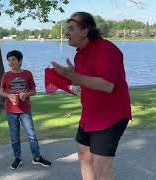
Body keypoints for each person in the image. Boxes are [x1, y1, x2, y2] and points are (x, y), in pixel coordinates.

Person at [52, 12, 132, 180]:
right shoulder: (79, 53)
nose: (66, 33)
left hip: (111, 115)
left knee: (101, 167)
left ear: (85, 31)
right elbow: (87, 80)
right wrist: (73, 74)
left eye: (71, 28)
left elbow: (107, 85)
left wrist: (76, 77)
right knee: (84, 156)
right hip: (90, 114)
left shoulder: (106, 49)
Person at [0, 50, 52, 169]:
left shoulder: (27, 74)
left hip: (25, 110)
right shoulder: (6, 75)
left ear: (20, 60)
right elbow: (1, 91)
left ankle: (37, 157)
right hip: (11, 111)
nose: (10, 62)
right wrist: (9, 95)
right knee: (14, 137)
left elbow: (34, 90)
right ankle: (17, 158)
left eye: (13, 59)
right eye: (9, 60)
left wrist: (26, 94)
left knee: (31, 135)